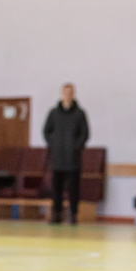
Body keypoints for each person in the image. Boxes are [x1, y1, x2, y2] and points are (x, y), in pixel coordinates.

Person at [43, 83, 89, 224]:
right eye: (65, 93)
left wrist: (76, 147)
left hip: (73, 159)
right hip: (57, 159)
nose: (67, 95)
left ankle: (73, 214)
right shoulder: (53, 113)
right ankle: (57, 214)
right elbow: (46, 131)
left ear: (73, 95)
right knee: (56, 189)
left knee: (73, 189)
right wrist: (54, 145)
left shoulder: (80, 113)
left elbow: (85, 133)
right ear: (62, 94)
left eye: (70, 93)